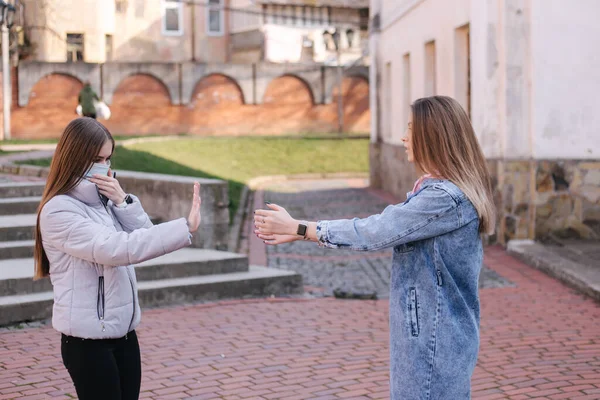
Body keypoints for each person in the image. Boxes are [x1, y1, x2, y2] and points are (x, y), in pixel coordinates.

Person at [254, 96, 496, 400]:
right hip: (430, 336)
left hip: (435, 341)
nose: (404, 137)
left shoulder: (445, 199)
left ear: (433, 137)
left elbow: (376, 230)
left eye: (411, 128)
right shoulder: (435, 192)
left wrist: (302, 229)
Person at [34, 117, 202, 400]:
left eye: (108, 158)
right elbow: (116, 249)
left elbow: (145, 236)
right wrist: (185, 226)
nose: (104, 166)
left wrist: (123, 201)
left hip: (124, 334)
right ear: (74, 157)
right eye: (96, 158)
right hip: (87, 342)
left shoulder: (105, 201)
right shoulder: (59, 211)